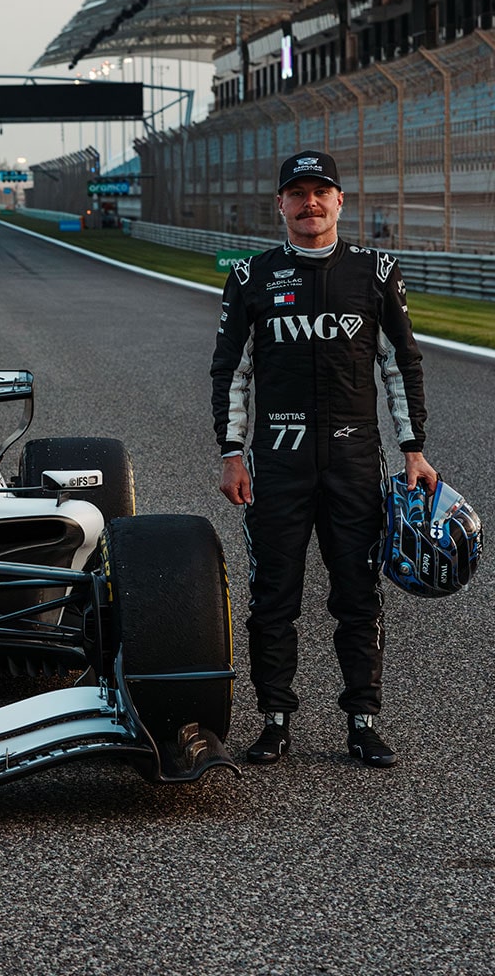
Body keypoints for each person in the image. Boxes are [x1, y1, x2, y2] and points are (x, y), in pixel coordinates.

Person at [210, 149, 435, 769]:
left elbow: (401, 365)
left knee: (357, 596)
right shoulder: (252, 277)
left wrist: (412, 450)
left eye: (321, 192)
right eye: (297, 193)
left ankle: (363, 721)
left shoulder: (377, 272)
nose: (310, 203)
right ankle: (275, 721)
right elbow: (232, 372)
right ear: (280, 204)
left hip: (355, 462)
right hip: (277, 465)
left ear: (340, 201)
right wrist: (232, 454)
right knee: (273, 597)